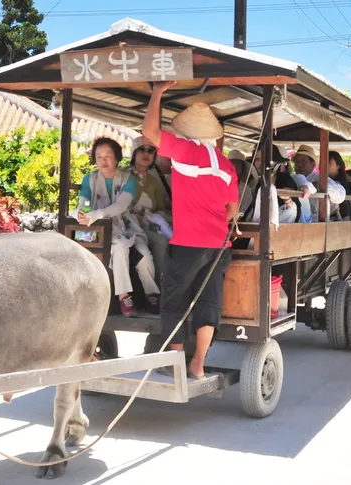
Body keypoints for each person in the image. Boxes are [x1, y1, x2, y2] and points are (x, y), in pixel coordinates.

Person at [143, 80, 239, 380]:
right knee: (208, 301)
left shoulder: (185, 150)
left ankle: (175, 362)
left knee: (174, 300)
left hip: (188, 244)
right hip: (219, 246)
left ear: (188, 132)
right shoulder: (226, 165)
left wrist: (157, 92)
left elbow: (150, 132)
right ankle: (197, 363)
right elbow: (232, 209)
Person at [76, 137, 161, 316]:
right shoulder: (89, 179)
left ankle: (151, 293)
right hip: (98, 229)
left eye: (108, 156)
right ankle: (124, 297)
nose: (103, 161)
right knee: (120, 247)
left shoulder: (128, 179)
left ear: (116, 158)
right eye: (99, 157)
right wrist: (83, 213)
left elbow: (121, 205)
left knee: (145, 256)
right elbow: (83, 203)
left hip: (126, 226)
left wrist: (97, 214)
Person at [129, 136, 173, 288]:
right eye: (141, 150)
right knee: (160, 242)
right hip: (128, 224)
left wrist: (158, 216)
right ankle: (156, 290)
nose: (146, 154)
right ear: (133, 153)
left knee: (168, 239)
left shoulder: (154, 181)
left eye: (151, 151)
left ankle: (163, 287)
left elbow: (160, 207)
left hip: (148, 224)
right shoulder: (122, 175)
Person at [291, 144, 348, 222]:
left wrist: (319, 186)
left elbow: (341, 194)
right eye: (297, 162)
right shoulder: (293, 178)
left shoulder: (321, 178)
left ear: (313, 164)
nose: (299, 165)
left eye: (303, 161)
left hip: (318, 224)